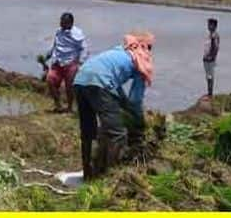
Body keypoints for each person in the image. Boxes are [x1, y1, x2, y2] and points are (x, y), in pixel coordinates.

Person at [73, 32, 154, 180]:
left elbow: (117, 88)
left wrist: (123, 105)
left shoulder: (118, 52)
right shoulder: (141, 62)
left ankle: (88, 173)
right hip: (99, 82)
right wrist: (139, 122)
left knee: (88, 131)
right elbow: (135, 100)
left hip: (80, 79)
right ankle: (110, 178)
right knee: (117, 133)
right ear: (145, 48)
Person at [44, 12, 88, 113]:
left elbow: (84, 49)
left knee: (69, 86)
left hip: (70, 63)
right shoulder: (59, 32)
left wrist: (81, 63)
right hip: (58, 61)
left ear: (70, 23)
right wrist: (49, 54)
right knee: (50, 81)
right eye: (61, 22)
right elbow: (55, 45)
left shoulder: (77, 34)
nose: (61, 24)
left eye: (64, 22)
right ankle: (58, 105)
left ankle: (69, 107)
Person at [203, 18, 220, 99]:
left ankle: (210, 94)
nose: (209, 26)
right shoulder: (210, 34)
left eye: (210, 24)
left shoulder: (214, 36)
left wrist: (211, 57)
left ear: (215, 26)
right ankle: (209, 93)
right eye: (208, 24)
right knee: (208, 76)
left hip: (210, 59)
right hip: (207, 58)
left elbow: (215, 47)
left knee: (210, 76)